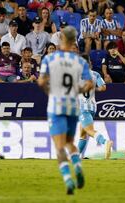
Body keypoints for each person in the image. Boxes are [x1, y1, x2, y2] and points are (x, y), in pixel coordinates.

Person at [37, 26, 93, 195]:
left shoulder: (49, 59)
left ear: (61, 40)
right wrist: (77, 90)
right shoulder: (80, 61)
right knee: (70, 142)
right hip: (73, 106)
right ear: (74, 41)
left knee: (59, 146)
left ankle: (68, 180)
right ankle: (77, 166)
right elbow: (90, 84)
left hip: (56, 106)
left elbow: (41, 82)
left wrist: (50, 91)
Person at [77, 54, 112, 159]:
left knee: (89, 130)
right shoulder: (95, 74)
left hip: (83, 108)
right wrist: (93, 89)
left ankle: (105, 142)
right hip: (92, 107)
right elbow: (103, 88)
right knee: (83, 134)